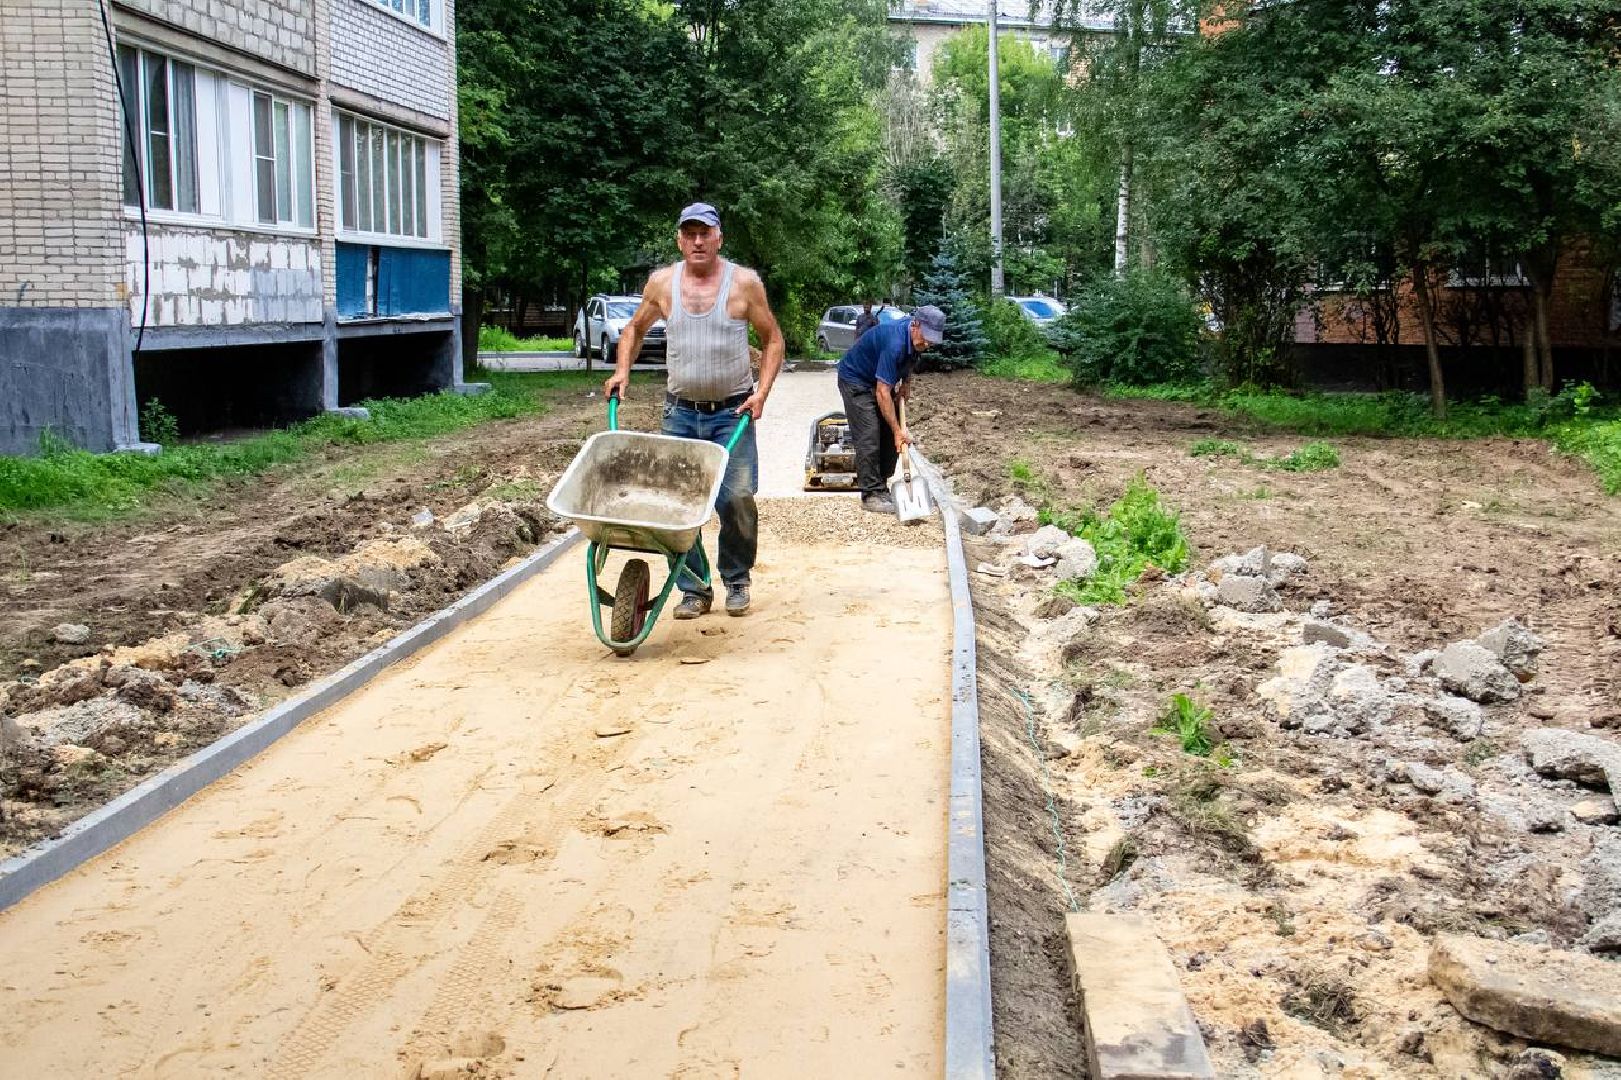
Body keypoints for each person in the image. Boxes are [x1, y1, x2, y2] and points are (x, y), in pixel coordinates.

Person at [604, 202, 786, 618]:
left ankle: (736, 579)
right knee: (675, 505)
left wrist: (762, 393)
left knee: (736, 498)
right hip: (680, 414)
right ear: (679, 239)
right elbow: (633, 328)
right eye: (690, 233)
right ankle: (695, 587)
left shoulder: (743, 284)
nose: (698, 241)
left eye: (705, 232)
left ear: (719, 236)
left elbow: (773, 339)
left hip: (731, 413)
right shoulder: (663, 283)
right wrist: (621, 371)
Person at [836, 304, 944, 513]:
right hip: (855, 380)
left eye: (933, 338)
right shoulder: (894, 342)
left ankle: (881, 486)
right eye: (926, 336)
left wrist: (906, 383)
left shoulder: (916, 340)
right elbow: (882, 392)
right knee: (869, 435)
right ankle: (870, 495)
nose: (928, 342)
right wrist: (898, 431)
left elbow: (911, 356)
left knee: (887, 436)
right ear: (915, 324)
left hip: (877, 380)